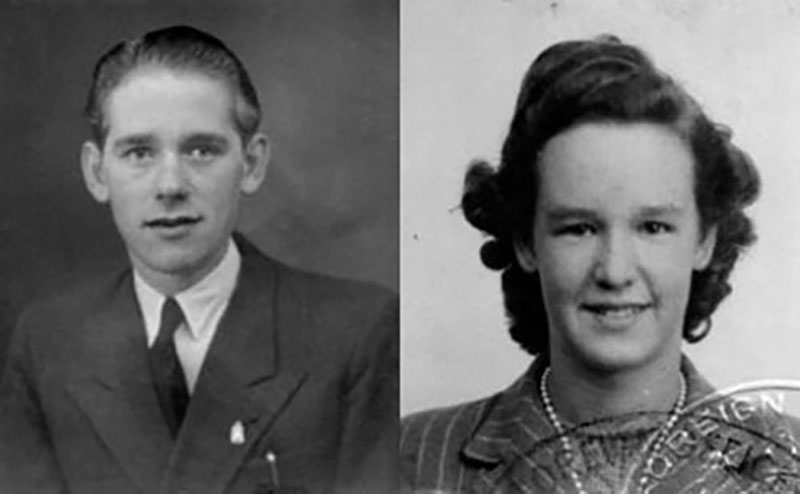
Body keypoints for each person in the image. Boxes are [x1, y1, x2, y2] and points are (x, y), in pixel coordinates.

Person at [0, 25, 398, 494]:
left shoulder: (357, 333)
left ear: (251, 164)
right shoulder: (49, 343)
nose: (170, 185)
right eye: (139, 152)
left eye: (201, 150)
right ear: (96, 172)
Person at [401, 36, 800, 493]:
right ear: (526, 243)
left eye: (652, 227)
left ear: (704, 240)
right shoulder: (409, 459)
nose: (614, 271)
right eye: (578, 228)